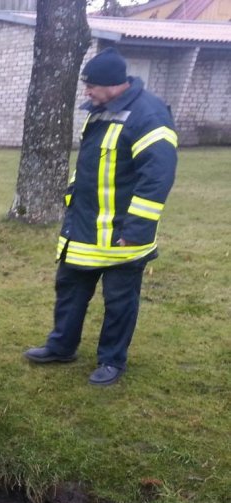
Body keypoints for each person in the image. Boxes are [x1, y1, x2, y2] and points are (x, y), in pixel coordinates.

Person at [24, 47, 178, 386]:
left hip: (122, 235)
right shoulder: (100, 110)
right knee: (70, 290)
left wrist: (137, 229)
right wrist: (72, 195)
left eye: (91, 85)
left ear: (112, 84)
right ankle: (61, 346)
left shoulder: (149, 116)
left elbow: (157, 178)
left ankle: (112, 361)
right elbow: (91, 164)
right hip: (84, 227)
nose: (86, 92)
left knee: (120, 301)